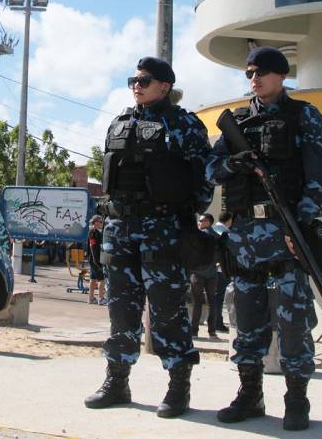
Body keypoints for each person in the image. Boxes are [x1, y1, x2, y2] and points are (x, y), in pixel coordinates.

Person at [84, 56, 214, 418]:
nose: (136, 85)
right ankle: (117, 381)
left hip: (163, 231)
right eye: (133, 80)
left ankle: (178, 386)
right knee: (120, 310)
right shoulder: (119, 123)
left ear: (165, 86)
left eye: (144, 80)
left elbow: (204, 179)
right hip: (120, 229)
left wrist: (181, 214)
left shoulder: (185, 125)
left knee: (167, 312)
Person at [208, 46, 322, 431]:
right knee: (245, 320)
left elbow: (318, 179)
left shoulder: (304, 116)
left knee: (293, 319)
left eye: (261, 72)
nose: (254, 79)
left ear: (281, 75)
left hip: (285, 232)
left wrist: (304, 227)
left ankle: (296, 398)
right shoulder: (237, 123)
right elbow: (211, 171)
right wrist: (233, 163)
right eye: (249, 74)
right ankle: (250, 395)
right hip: (243, 236)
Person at [189, 213, 221, 338]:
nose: (199, 223)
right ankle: (212, 331)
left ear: (208, 221)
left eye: (201, 220)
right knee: (212, 302)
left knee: (197, 303)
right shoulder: (217, 236)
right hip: (212, 273)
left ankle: (194, 331)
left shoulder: (197, 236)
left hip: (197, 273)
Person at [209, 212, 232, 334]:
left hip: (210, 268)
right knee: (219, 297)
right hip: (221, 269)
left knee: (213, 297)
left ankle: (213, 322)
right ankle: (217, 322)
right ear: (229, 220)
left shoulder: (211, 230)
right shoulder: (226, 234)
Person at [87, 215, 106, 305]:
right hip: (95, 260)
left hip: (93, 260)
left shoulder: (94, 232)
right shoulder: (94, 232)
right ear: (95, 222)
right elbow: (93, 247)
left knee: (93, 278)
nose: (101, 223)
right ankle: (101, 298)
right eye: (100, 221)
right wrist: (97, 262)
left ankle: (91, 298)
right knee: (101, 279)